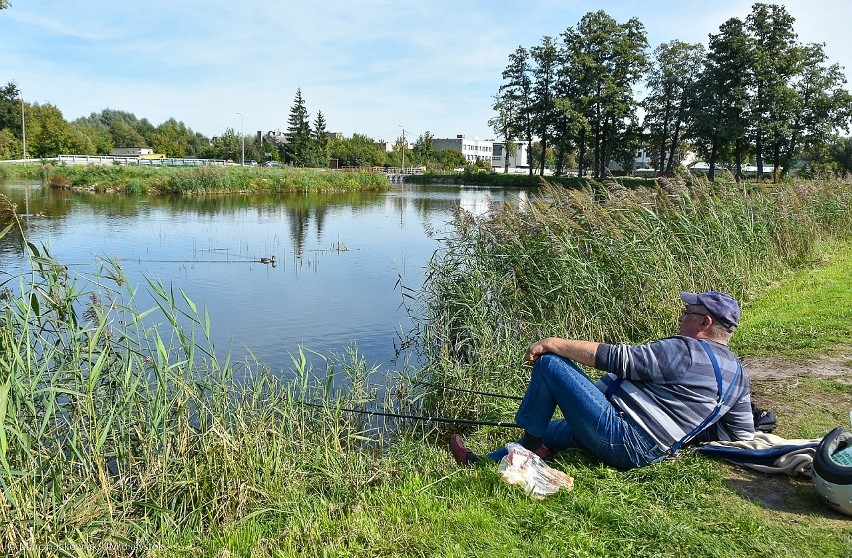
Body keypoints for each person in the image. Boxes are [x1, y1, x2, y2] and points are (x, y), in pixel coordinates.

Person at [450, 290, 755, 470]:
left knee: (550, 364)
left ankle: (523, 459)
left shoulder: (684, 350)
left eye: (688, 312)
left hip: (622, 437)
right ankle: (484, 465)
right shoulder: (738, 375)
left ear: (705, 322)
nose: (681, 317)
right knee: (552, 431)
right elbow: (740, 436)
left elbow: (617, 359)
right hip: (647, 447)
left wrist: (552, 342)